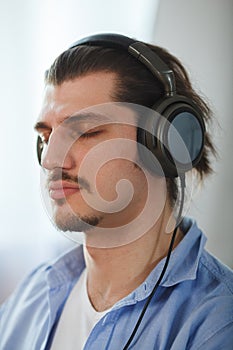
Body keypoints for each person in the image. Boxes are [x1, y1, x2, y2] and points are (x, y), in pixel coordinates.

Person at [0, 33, 232, 350]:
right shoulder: (31, 296)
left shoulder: (217, 325)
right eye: (47, 136)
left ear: (164, 143)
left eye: (84, 132)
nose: (51, 160)